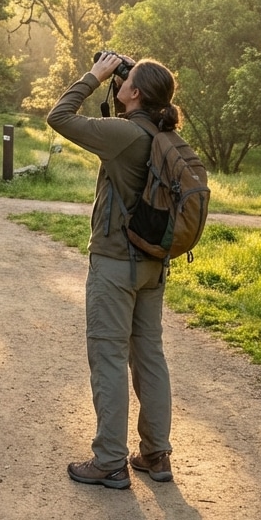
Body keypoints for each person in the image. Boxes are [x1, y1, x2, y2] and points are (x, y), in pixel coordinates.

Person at [46, 52, 178, 490]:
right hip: (153, 264)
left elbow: (59, 116)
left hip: (115, 262)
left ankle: (109, 461)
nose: (118, 80)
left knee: (108, 357)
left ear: (135, 93)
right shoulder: (162, 131)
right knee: (149, 357)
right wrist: (126, 76)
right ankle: (156, 454)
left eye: (127, 79)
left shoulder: (122, 133)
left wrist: (95, 75)